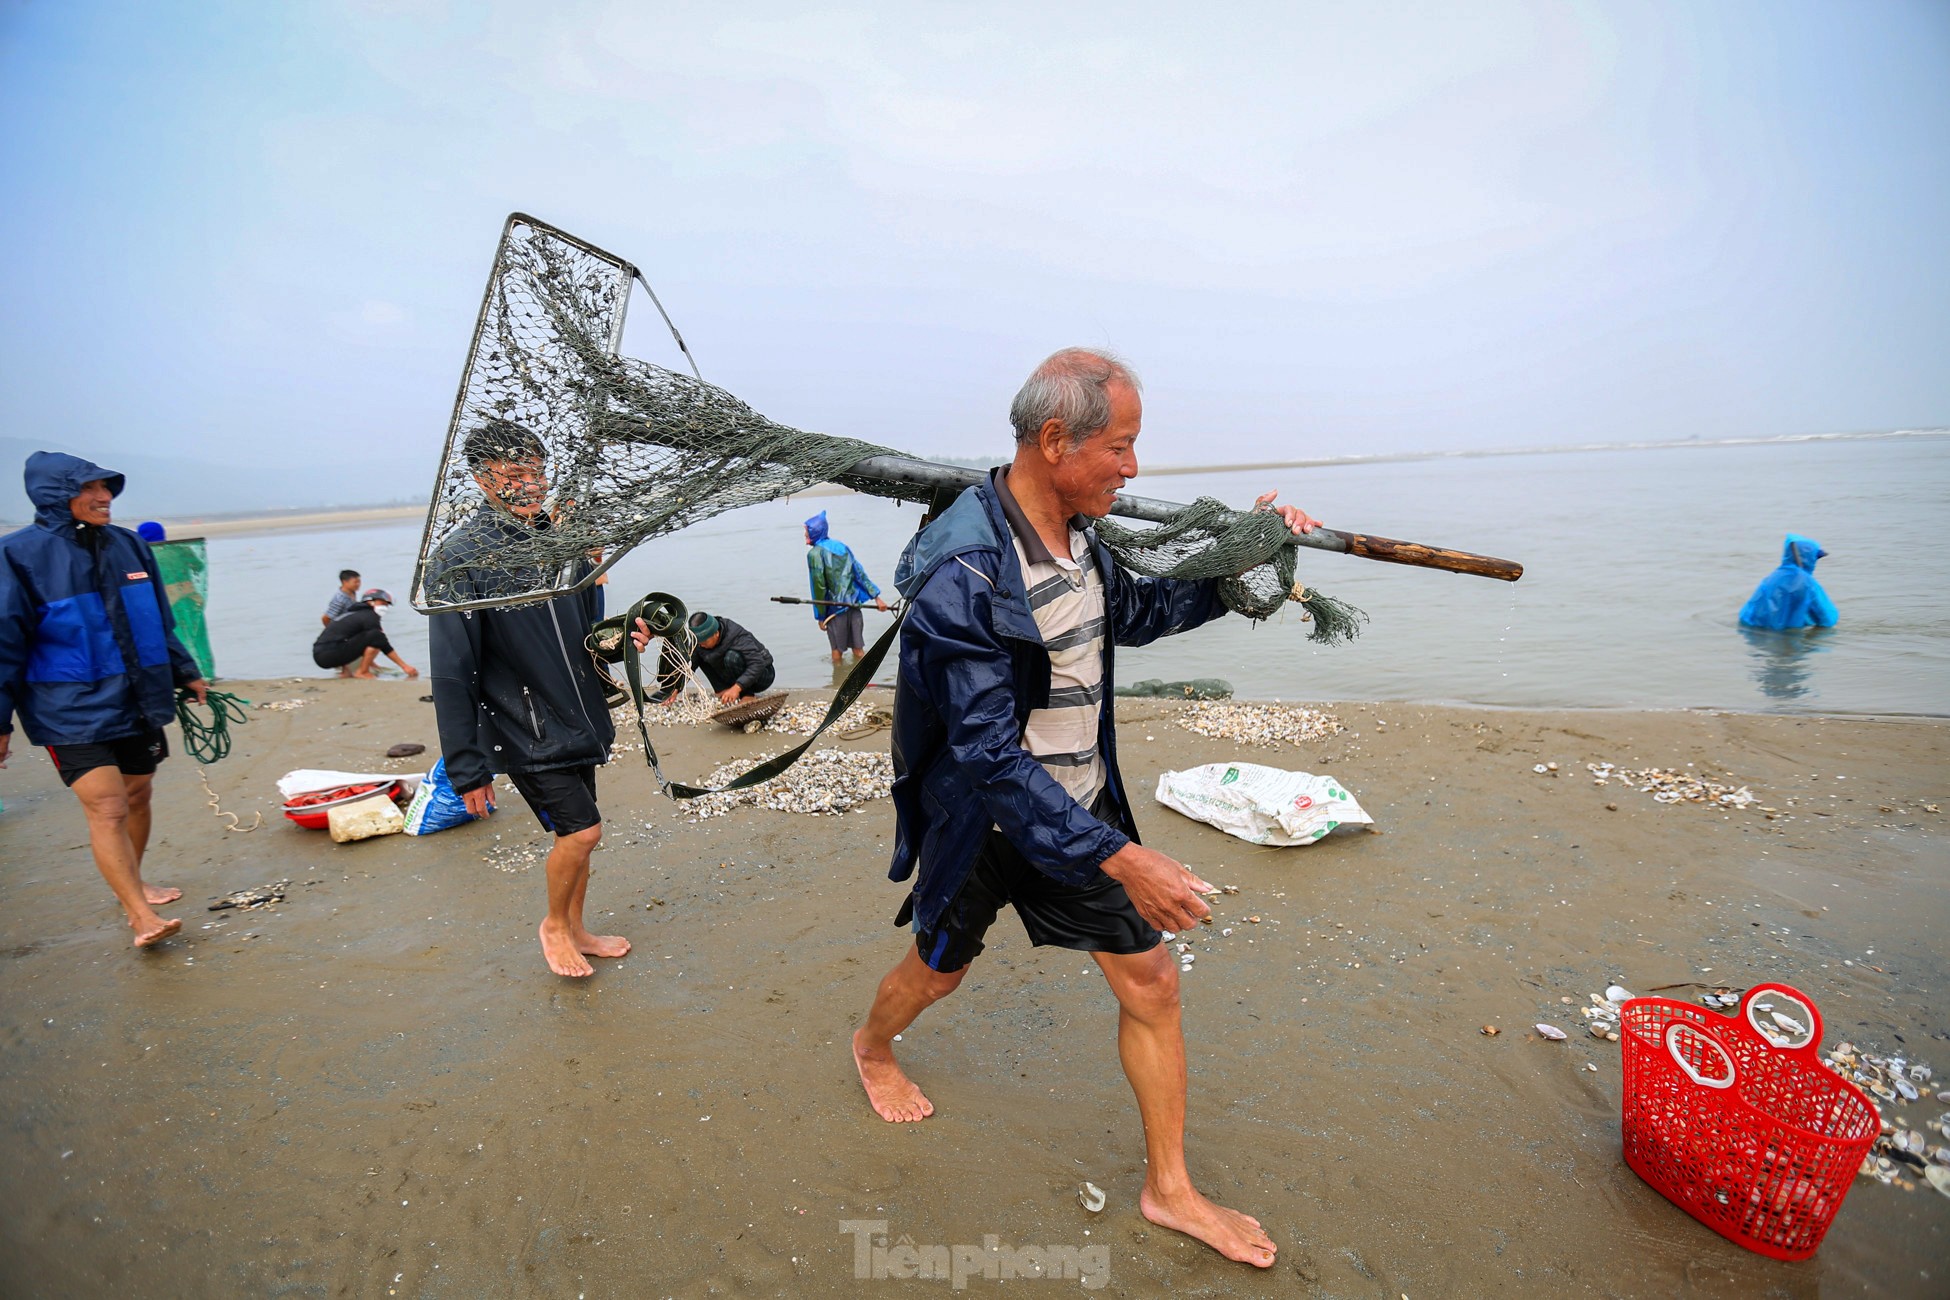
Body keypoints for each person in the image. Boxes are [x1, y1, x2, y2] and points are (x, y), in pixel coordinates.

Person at [849, 349, 1319, 1270]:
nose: (1134, 468)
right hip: (985, 820)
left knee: (1152, 982)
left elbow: (1133, 613)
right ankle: (871, 1047)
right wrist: (1126, 857)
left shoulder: (1077, 530)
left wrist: (1247, 559)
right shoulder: (968, 572)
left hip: (1079, 810)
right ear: (1055, 440)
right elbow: (986, 755)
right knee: (939, 972)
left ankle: (1170, 1189)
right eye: (1122, 445)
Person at [428, 419, 626, 979]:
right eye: (515, 474)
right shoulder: (459, 556)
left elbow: (582, 633)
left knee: (580, 837)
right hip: (523, 724)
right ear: (481, 478)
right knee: (582, 832)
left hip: (577, 715)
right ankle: (555, 927)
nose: (530, 485)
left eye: (537, 472)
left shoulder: (556, 538)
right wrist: (467, 765)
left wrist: (618, 636)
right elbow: (451, 668)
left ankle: (579, 928)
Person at [0, 452, 210, 949]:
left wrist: (186, 671)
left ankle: (132, 885)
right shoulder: (18, 555)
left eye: (107, 488)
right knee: (109, 807)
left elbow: (160, 622)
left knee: (138, 794)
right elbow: (5, 641)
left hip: (135, 698)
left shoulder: (130, 545)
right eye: (89, 489)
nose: (104, 498)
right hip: (67, 707)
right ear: (56, 495)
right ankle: (140, 916)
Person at [804, 511, 889, 664]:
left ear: (815, 531)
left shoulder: (815, 554)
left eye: (806, 532)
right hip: (854, 605)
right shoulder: (841, 546)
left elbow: (819, 587)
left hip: (834, 609)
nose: (805, 536)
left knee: (836, 651)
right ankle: (866, 680)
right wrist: (877, 598)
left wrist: (821, 615)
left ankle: (837, 683)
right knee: (858, 649)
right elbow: (859, 572)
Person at [655, 609, 776, 705]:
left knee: (731, 657)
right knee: (700, 655)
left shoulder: (736, 634)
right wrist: (675, 688)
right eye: (699, 641)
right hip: (736, 675)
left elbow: (757, 664)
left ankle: (747, 694)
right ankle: (722, 690)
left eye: (704, 641)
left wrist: (737, 688)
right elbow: (689, 667)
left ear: (716, 633)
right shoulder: (699, 642)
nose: (701, 644)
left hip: (763, 675)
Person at [311, 589, 418, 679]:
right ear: (370, 602)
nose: (385, 607)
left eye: (387, 605)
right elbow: (382, 643)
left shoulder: (352, 614)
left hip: (320, 654)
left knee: (364, 636)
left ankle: (346, 672)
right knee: (377, 636)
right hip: (329, 654)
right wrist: (404, 666)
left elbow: (355, 641)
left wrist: (372, 663)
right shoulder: (370, 616)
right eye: (382, 603)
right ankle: (362, 672)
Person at [1738, 534, 1838, 630]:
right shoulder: (1807, 583)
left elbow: (1750, 610)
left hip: (1754, 630)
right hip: (1785, 635)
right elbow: (1827, 619)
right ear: (1809, 559)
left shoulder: (1772, 578)